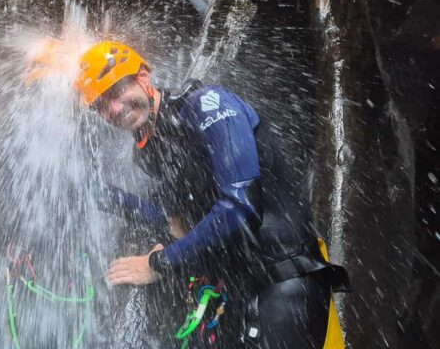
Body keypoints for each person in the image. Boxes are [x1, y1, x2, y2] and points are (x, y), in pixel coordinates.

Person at [75, 41, 350, 348]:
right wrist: (100, 194)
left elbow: (240, 206)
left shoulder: (209, 104)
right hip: (238, 288)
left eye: (115, 92)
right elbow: (174, 220)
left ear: (143, 78)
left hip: (284, 280)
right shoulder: (150, 151)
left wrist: (159, 263)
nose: (113, 109)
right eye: (101, 104)